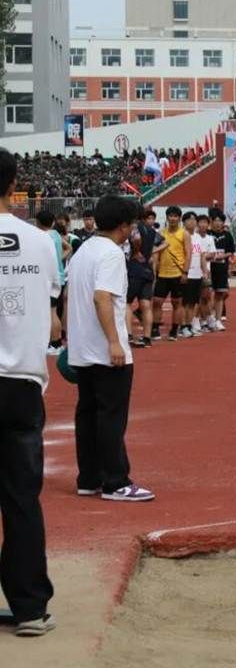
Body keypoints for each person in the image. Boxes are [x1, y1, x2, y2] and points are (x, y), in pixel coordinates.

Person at [0, 149, 61, 636]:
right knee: (21, 499)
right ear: (14, 184)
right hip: (21, 382)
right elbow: (52, 304)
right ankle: (29, 608)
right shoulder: (42, 242)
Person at [65, 195, 155, 503]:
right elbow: (102, 298)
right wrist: (115, 341)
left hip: (83, 348)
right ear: (123, 226)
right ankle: (116, 481)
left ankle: (89, 478)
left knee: (87, 415)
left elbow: (71, 297)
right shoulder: (112, 254)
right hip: (105, 351)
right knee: (111, 416)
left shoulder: (82, 251)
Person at [151, 206, 190, 341]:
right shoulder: (161, 233)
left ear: (179, 218)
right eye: (170, 216)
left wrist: (185, 272)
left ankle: (174, 330)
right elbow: (156, 252)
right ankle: (155, 328)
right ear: (167, 218)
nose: (173, 219)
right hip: (162, 273)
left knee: (177, 303)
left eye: (175, 216)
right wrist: (154, 270)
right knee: (157, 302)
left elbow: (188, 253)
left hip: (178, 273)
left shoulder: (184, 234)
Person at [34, 211, 68, 355]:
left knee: (51, 312)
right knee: (53, 311)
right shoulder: (56, 234)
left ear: (38, 222)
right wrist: (59, 259)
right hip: (58, 276)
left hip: (50, 278)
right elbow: (69, 248)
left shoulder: (42, 237)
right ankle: (55, 342)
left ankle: (55, 344)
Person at [125, 208, 158, 348]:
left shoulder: (134, 228)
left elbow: (136, 239)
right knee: (145, 305)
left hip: (134, 270)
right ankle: (147, 338)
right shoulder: (152, 231)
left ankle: (128, 335)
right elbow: (162, 243)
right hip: (147, 271)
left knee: (126, 303)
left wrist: (136, 252)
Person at [208, 212, 235, 330]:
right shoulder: (207, 234)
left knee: (220, 294)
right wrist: (211, 256)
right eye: (216, 220)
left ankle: (218, 320)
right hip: (208, 269)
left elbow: (230, 251)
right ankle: (207, 318)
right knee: (206, 295)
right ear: (211, 222)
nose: (218, 223)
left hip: (221, 269)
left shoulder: (227, 235)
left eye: (220, 221)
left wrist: (222, 256)